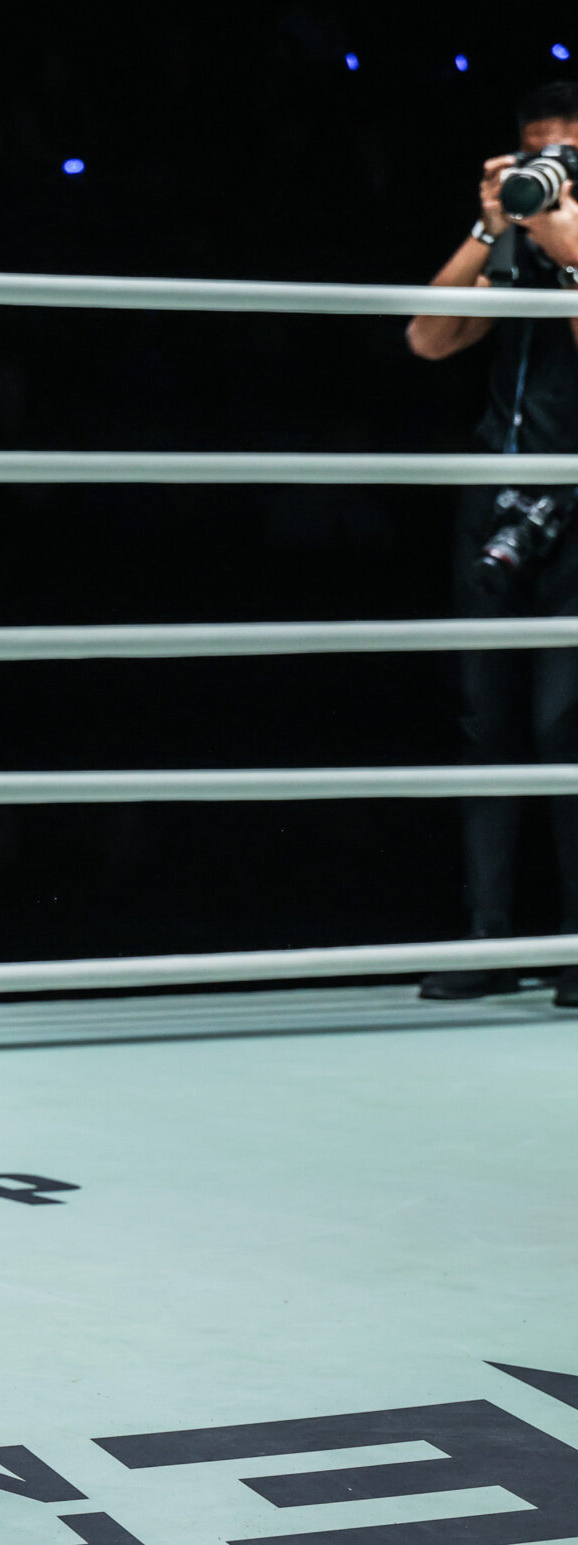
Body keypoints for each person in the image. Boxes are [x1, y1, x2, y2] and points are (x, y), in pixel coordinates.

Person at [404, 81, 578, 1007]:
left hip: (576, 499)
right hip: (495, 493)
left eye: (569, 156)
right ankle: (487, 934)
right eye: (538, 154)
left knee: (565, 723)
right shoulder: (512, 249)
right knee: (486, 721)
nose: (552, 171)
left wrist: (570, 245)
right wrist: (491, 227)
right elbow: (428, 337)